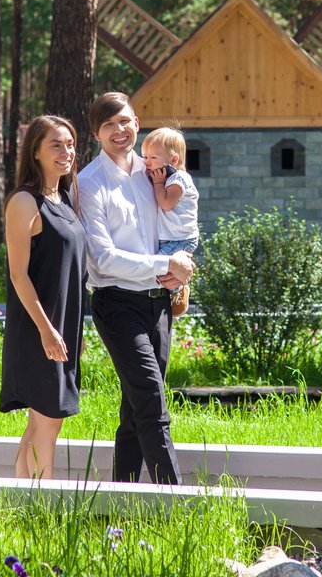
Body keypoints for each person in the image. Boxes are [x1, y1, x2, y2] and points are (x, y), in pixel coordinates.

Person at [77, 92, 195, 484]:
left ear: (137, 122)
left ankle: (120, 499)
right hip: (116, 305)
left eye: (125, 121)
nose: (119, 130)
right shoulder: (90, 183)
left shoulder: (155, 174)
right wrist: (166, 264)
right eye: (109, 124)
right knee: (151, 401)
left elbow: (180, 222)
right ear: (96, 132)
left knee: (134, 409)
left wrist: (183, 264)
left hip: (159, 303)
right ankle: (178, 504)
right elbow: (102, 259)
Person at [0, 115, 87, 480]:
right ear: (35, 151)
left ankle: (22, 502)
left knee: (44, 422)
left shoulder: (63, 199)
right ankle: (44, 504)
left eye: (70, 144)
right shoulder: (24, 201)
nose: (66, 152)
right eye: (56, 144)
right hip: (38, 329)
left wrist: (72, 332)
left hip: (63, 327)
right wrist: (47, 331)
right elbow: (18, 275)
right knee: (49, 420)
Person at [140, 127, 200, 317]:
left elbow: (166, 203)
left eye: (153, 158)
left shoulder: (179, 179)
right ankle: (175, 290)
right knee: (158, 270)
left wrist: (157, 183)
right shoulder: (168, 177)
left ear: (173, 160)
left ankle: (179, 290)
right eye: (145, 157)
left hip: (181, 239)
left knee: (156, 271)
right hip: (171, 238)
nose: (147, 163)